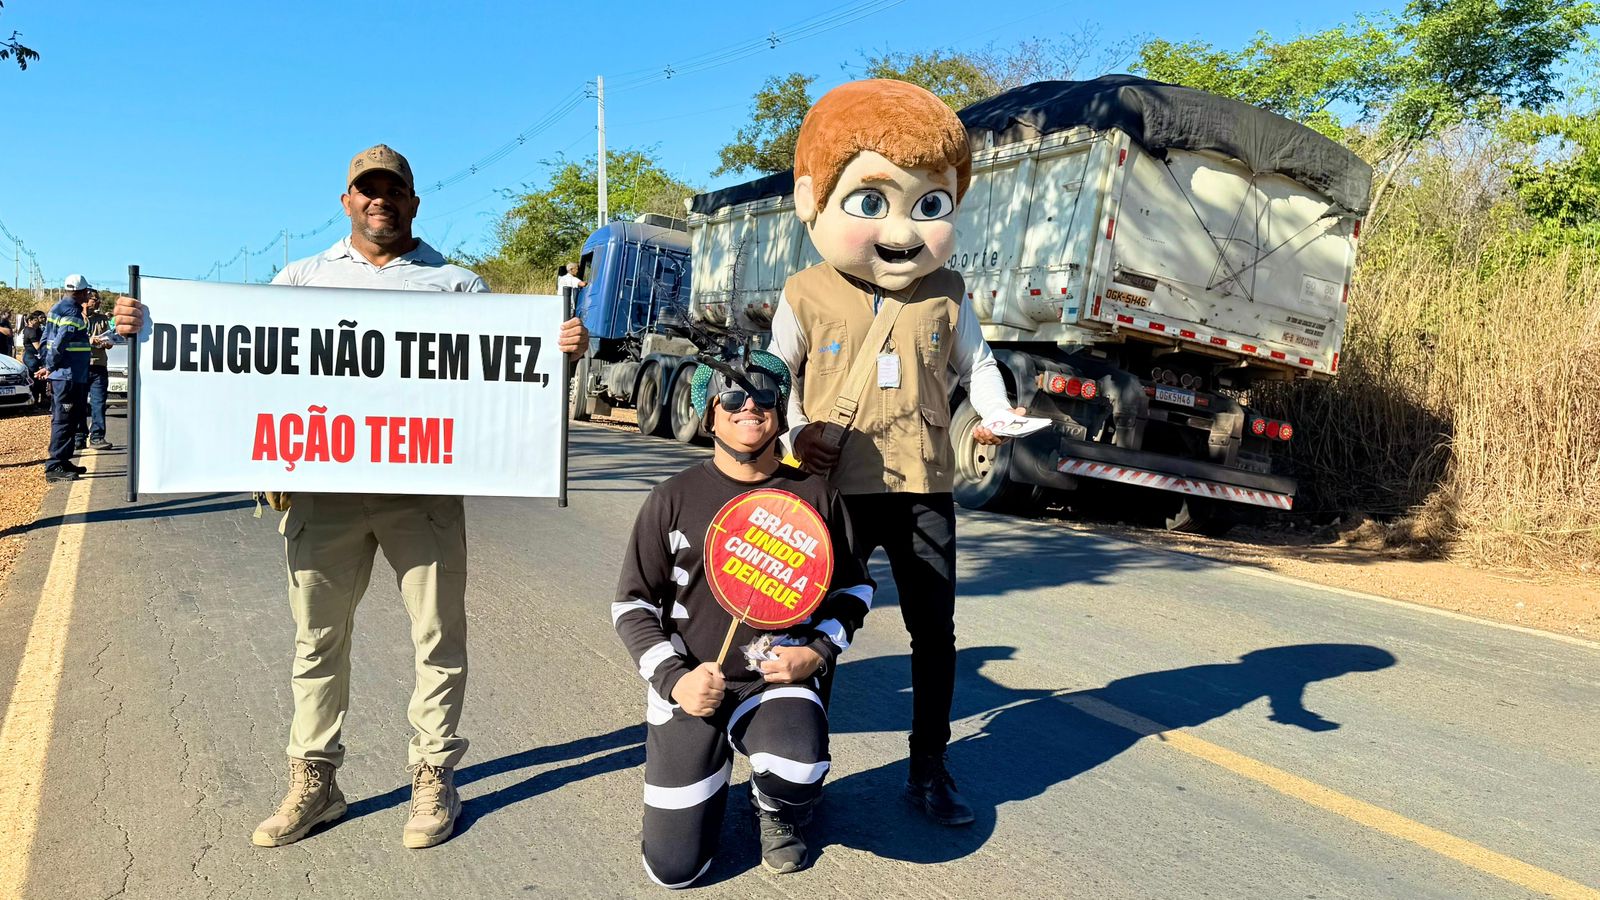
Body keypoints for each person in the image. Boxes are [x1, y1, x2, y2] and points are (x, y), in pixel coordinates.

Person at [114, 144, 589, 850]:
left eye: (392, 190)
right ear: (346, 202)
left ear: (413, 202)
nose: (380, 201)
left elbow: (506, 378)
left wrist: (561, 351)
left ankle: (433, 775)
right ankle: (315, 780)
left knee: (438, 637)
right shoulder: (300, 279)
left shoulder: (457, 286)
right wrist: (144, 332)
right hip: (323, 494)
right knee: (317, 640)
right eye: (367, 190)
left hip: (421, 493)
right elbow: (239, 365)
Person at [768, 80, 1025, 827]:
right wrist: (793, 435)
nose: (903, 229)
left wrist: (995, 413)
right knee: (817, 633)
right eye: (873, 201)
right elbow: (776, 379)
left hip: (924, 489)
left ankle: (929, 768)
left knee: (933, 635)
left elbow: (978, 365)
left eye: (930, 204)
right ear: (814, 199)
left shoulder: (947, 292)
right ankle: (802, 770)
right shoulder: (805, 291)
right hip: (833, 493)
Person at [613, 349, 873, 886]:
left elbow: (854, 589)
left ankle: (776, 806)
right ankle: (700, 782)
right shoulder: (672, 498)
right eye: (731, 396)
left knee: (797, 766)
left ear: (779, 412)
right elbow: (631, 605)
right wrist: (675, 680)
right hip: (693, 686)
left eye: (764, 396)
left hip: (770, 684)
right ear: (708, 413)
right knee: (674, 871)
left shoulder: (814, 495)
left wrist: (816, 653)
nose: (748, 405)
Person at [37, 275, 95, 483]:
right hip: (68, 375)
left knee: (71, 418)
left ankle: (64, 460)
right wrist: (50, 366)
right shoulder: (72, 313)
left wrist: (47, 364)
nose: (88, 294)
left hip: (68, 375)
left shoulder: (57, 308)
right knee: (64, 419)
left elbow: (46, 340)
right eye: (87, 291)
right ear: (81, 292)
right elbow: (59, 343)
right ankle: (55, 465)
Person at [75, 289, 115, 451]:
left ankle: (97, 437)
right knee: (79, 403)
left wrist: (106, 342)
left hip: (99, 366)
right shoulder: (74, 318)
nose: (97, 302)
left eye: (98, 300)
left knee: (98, 403)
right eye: (94, 299)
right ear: (85, 300)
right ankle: (79, 436)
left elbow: (110, 341)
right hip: (79, 366)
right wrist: (89, 340)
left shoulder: (102, 319)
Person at [21, 310, 46, 407]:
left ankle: (40, 400)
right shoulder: (30, 331)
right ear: (30, 321)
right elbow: (38, 346)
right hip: (31, 358)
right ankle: (33, 402)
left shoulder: (36, 330)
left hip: (34, 357)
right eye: (36, 320)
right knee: (34, 380)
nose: (38, 322)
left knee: (39, 380)